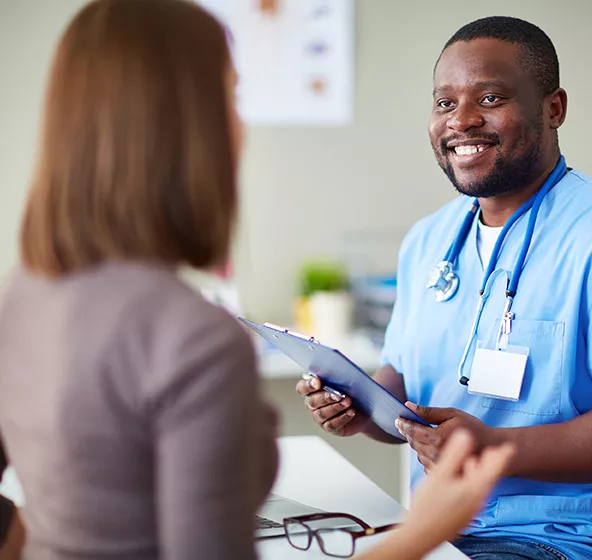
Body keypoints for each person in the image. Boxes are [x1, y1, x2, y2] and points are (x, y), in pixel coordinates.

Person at [0, 1, 515, 559]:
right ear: (191, 129)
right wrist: (426, 529)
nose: (240, 122)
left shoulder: (27, 291)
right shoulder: (192, 339)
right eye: (232, 95)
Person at [297, 15, 592, 560]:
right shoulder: (427, 242)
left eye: (490, 99)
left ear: (554, 108)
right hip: (440, 530)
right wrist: (359, 407)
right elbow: (401, 388)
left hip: (567, 543)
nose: (462, 121)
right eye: (445, 103)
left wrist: (495, 447)